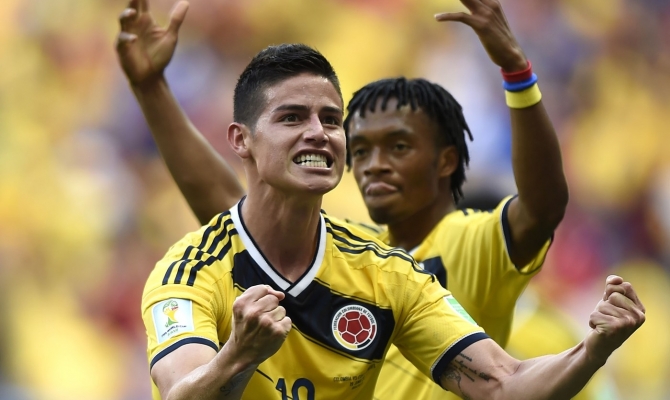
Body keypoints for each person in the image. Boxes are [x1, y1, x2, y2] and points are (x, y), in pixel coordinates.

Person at [116, 1, 646, 399]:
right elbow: (180, 390)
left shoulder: (389, 270)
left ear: (445, 162)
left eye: (331, 120)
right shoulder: (188, 270)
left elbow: (502, 384)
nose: (319, 133)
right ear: (241, 140)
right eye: (293, 118)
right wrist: (238, 355)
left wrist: (593, 349)